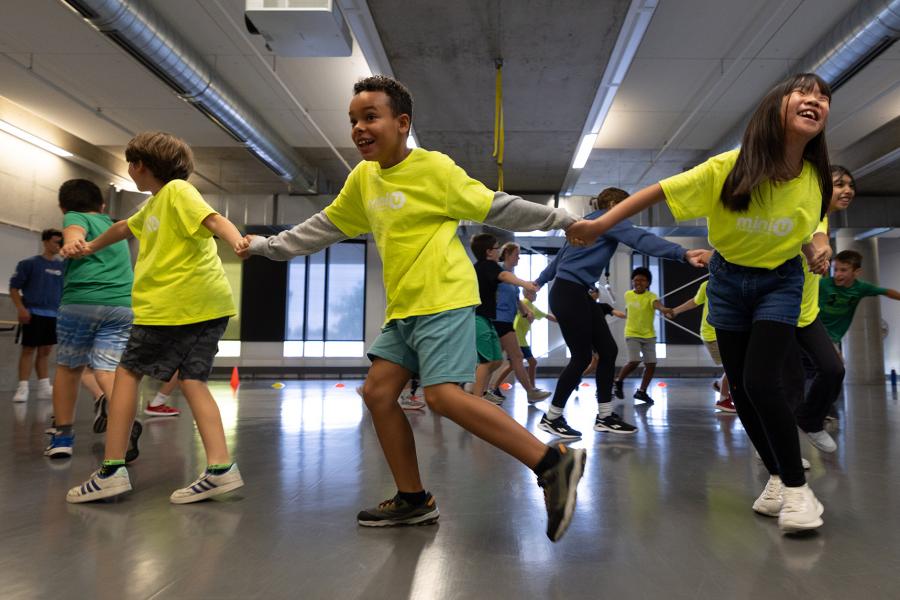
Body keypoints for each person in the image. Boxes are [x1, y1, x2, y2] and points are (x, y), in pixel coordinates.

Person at [244, 75, 585, 541]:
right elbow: (325, 225)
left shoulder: (434, 170)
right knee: (378, 394)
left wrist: (563, 221)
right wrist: (269, 247)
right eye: (353, 120)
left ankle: (552, 463)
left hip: (442, 297)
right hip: (404, 308)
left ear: (402, 123)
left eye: (370, 117)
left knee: (442, 395)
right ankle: (412, 500)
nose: (359, 128)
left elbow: (495, 207)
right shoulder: (363, 179)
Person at [567, 73, 834, 533]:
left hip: (780, 282)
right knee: (745, 387)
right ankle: (775, 477)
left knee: (759, 379)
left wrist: (819, 243)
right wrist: (598, 225)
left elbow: (817, 216)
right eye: (803, 93)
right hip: (727, 281)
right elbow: (658, 192)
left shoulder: (815, 176)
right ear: (775, 108)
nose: (815, 101)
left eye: (823, 97)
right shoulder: (727, 168)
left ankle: (797, 488)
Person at [63, 131, 246, 504]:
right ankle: (220, 469)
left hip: (172, 306)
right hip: (205, 306)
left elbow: (212, 220)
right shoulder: (154, 205)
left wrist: (237, 239)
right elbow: (121, 228)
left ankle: (112, 470)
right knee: (193, 380)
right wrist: (90, 247)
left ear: (139, 165)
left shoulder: (177, 192)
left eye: (131, 163)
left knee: (127, 373)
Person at [534, 187, 703, 439]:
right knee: (581, 357)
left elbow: (558, 261)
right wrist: (682, 253)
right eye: (628, 206)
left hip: (573, 291)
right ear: (613, 204)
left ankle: (604, 416)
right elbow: (642, 240)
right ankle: (552, 417)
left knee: (608, 351)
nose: (630, 213)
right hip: (570, 292)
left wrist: (537, 283)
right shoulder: (609, 220)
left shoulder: (584, 224)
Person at [43, 179, 136, 459]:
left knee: (70, 368)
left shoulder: (74, 216)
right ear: (103, 205)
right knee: (108, 372)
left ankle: (63, 437)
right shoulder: (113, 226)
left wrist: (71, 242)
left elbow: (73, 231)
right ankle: (126, 428)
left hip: (82, 303)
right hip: (121, 306)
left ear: (62, 207)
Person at [470, 234, 540, 403]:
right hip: (481, 318)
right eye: (496, 248)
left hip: (488, 318)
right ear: (489, 252)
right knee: (488, 362)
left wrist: (524, 310)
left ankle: (481, 391)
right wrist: (526, 284)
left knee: (496, 360)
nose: (498, 251)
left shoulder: (487, 266)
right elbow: (504, 277)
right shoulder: (488, 266)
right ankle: (477, 398)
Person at [488, 242, 551, 402]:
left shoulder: (511, 274)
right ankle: (530, 391)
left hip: (505, 321)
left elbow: (516, 299)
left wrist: (526, 312)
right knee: (516, 356)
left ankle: (485, 390)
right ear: (508, 254)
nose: (519, 257)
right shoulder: (499, 270)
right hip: (499, 320)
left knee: (495, 360)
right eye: (517, 254)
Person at [9, 228, 64, 403]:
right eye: (56, 242)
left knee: (46, 351)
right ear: (46, 242)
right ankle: (23, 387)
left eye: (61, 243)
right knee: (28, 350)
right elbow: (14, 288)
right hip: (33, 313)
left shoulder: (62, 267)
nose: (59, 246)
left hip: (53, 315)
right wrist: (21, 308)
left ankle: (43, 387)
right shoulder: (29, 263)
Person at [670, 280, 736, 412]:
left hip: (727, 331)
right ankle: (723, 401)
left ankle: (719, 385)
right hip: (712, 334)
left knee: (734, 365)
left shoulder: (734, 284)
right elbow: (694, 301)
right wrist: (675, 311)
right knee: (733, 366)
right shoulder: (708, 285)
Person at [613, 267, 673, 405]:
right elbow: (629, 309)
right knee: (634, 361)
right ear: (632, 282)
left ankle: (642, 391)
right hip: (632, 333)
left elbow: (657, 304)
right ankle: (618, 382)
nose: (638, 282)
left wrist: (664, 309)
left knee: (651, 364)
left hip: (649, 335)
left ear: (648, 283)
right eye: (636, 280)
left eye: (642, 280)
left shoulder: (651, 296)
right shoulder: (628, 294)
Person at [818, 249, 900, 345]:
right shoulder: (823, 284)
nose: (837, 274)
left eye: (843, 270)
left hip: (833, 337)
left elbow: (886, 292)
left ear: (856, 272)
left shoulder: (861, 288)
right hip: (815, 331)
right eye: (835, 269)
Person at [492, 287, 558, 395]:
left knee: (514, 365)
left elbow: (547, 316)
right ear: (527, 293)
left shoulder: (531, 306)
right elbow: (547, 316)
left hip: (520, 338)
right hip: (516, 338)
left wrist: (564, 321)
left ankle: (495, 388)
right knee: (529, 362)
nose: (536, 295)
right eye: (533, 293)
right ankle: (531, 389)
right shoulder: (524, 302)